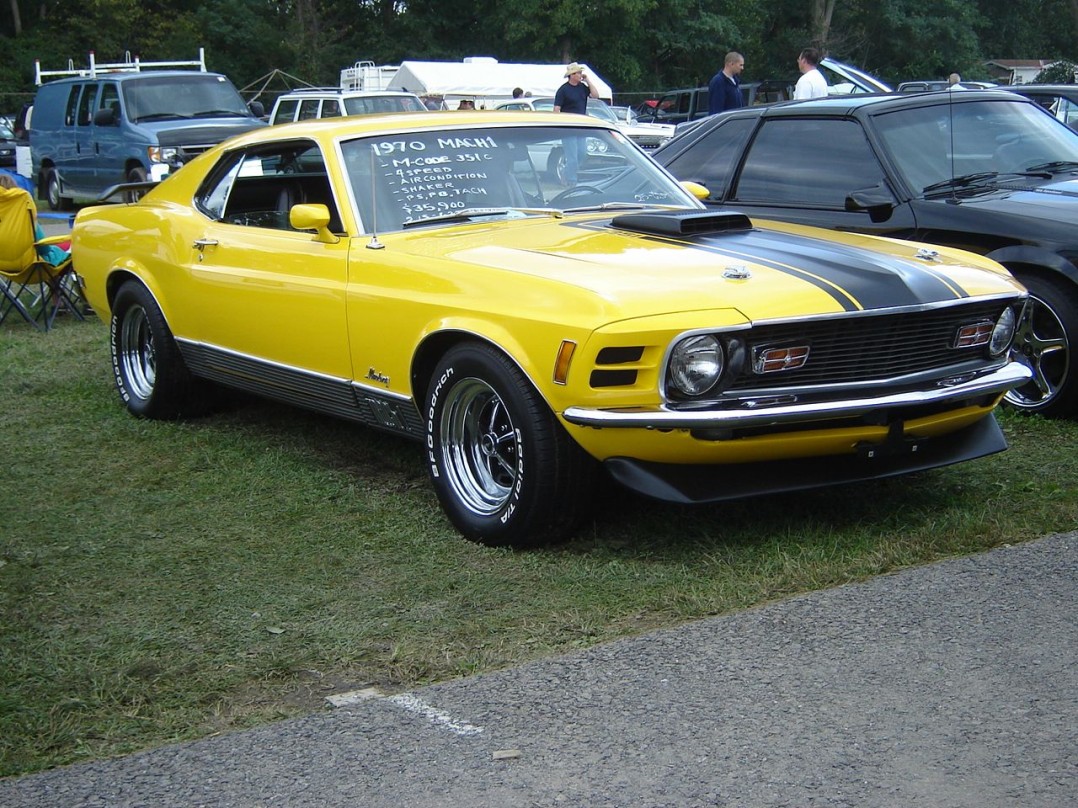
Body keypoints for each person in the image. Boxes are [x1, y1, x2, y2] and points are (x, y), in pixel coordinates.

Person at [554, 62, 600, 185]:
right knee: (572, 156)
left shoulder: (582, 88)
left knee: (582, 153)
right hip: (568, 127)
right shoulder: (563, 90)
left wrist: (588, 80)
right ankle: (572, 181)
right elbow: (556, 109)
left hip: (581, 127)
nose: (580, 75)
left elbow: (595, 95)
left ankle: (567, 172)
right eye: (578, 73)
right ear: (572, 75)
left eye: (580, 72)